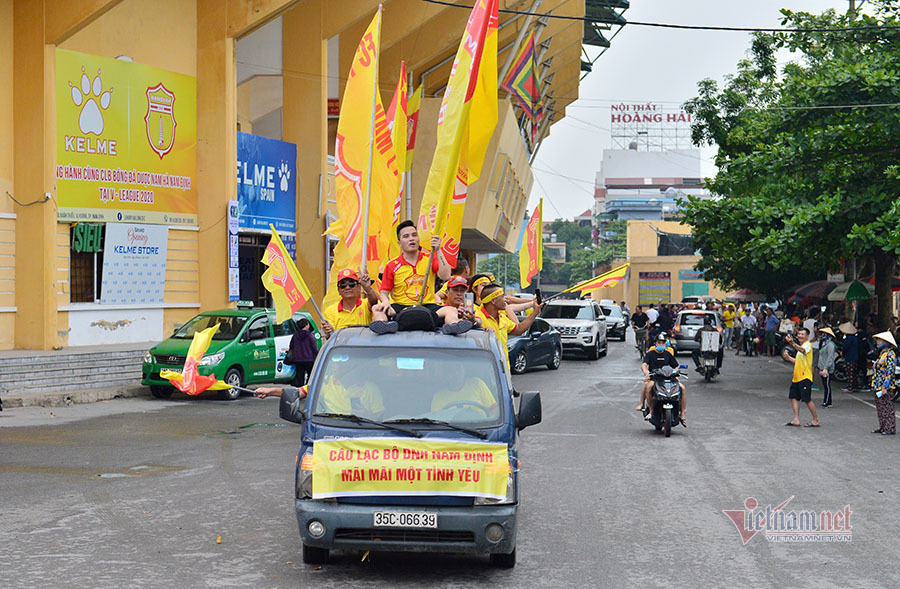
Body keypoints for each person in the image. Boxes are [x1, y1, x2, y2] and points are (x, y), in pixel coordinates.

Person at [377, 221, 472, 334]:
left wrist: (438, 250)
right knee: (377, 309)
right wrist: (385, 302)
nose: (411, 239)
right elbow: (384, 292)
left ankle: (452, 326)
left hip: (428, 307)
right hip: (401, 308)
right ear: (399, 243)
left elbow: (446, 275)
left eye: (414, 235)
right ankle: (385, 326)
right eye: (406, 236)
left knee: (451, 310)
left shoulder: (430, 258)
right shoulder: (392, 265)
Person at [476, 284, 542, 369]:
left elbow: (519, 329)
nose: (505, 300)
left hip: (503, 369)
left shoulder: (502, 318)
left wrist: (535, 312)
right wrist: (483, 329)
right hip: (486, 369)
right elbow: (474, 323)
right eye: (502, 296)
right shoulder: (478, 315)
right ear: (493, 300)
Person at [321, 269, 388, 339]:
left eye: (351, 284)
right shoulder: (330, 311)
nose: (347, 287)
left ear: (359, 287)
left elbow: (374, 301)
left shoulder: (365, 304)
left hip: (363, 347)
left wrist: (368, 288)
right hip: (342, 348)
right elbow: (330, 338)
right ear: (338, 290)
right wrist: (330, 332)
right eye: (343, 285)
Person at [637, 332, 687, 425]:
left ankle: (682, 412)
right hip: (655, 378)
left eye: (663, 343)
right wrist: (646, 372)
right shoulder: (650, 354)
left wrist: (675, 372)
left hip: (669, 378)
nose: (661, 344)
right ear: (655, 343)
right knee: (648, 387)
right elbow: (644, 364)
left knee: (682, 388)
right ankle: (651, 411)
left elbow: (676, 366)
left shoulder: (668, 354)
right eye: (659, 343)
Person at [783, 327, 820, 427]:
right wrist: (788, 357)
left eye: (802, 334)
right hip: (796, 377)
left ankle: (816, 419)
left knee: (807, 399)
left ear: (807, 336)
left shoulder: (807, 346)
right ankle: (796, 419)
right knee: (793, 397)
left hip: (805, 378)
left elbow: (802, 350)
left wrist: (792, 344)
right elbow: (797, 361)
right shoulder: (801, 347)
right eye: (799, 334)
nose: (800, 336)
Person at [870, 331, 897, 435]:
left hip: (886, 386)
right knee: (880, 407)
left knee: (887, 407)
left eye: (879, 340)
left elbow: (890, 372)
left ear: (886, 342)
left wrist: (885, 386)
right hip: (877, 385)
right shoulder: (882, 354)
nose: (877, 341)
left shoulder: (890, 354)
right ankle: (883, 426)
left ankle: (890, 428)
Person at [288, 317, 319, 386]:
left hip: (298, 359)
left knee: (300, 377)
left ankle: (300, 390)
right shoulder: (310, 335)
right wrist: (317, 355)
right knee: (311, 375)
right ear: (306, 325)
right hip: (309, 359)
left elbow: (291, 346)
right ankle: (307, 388)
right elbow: (314, 347)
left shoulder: (295, 335)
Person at [817, 327, 837, 407]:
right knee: (825, 385)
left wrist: (826, 368)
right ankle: (825, 400)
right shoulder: (824, 344)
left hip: (827, 369)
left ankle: (828, 402)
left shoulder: (830, 345)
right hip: (822, 368)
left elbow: (830, 358)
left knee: (827, 385)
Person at [840, 322, 860, 393]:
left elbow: (845, 347)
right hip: (855, 356)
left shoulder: (849, 338)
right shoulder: (854, 338)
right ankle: (855, 386)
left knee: (850, 373)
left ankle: (850, 387)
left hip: (850, 357)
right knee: (854, 373)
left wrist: (843, 352)